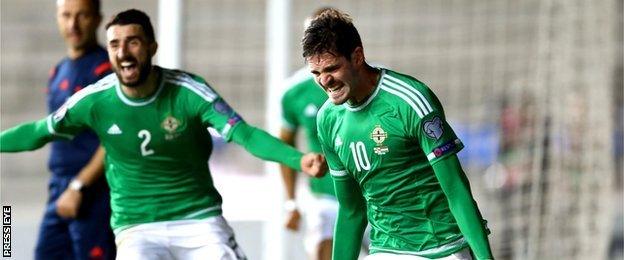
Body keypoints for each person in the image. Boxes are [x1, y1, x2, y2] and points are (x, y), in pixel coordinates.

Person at [1, 9, 326, 260]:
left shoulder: (189, 91)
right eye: (115, 44)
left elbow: (245, 134)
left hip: (198, 219)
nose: (124, 52)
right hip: (137, 225)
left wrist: (300, 160)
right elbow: (39, 132)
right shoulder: (95, 100)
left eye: (133, 41)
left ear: (152, 46)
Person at [302, 8, 494, 260]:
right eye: (316, 73)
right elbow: (351, 210)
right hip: (387, 247)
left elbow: (456, 189)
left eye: (332, 69)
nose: (324, 81)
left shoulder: (410, 101)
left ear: (357, 56)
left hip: (441, 247)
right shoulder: (328, 120)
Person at [35, 0, 115, 259]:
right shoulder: (57, 71)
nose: (73, 24)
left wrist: (79, 186)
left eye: (82, 16)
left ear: (97, 19)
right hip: (59, 189)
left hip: (94, 193)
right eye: (66, 15)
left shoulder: (106, 72)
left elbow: (114, 139)